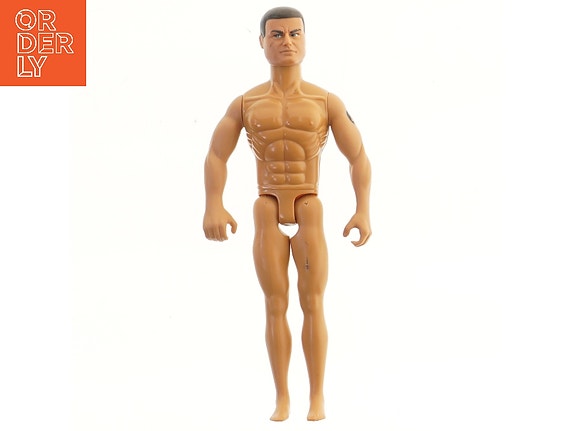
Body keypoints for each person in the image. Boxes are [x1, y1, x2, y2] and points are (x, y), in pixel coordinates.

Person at [203, 6, 371, 421]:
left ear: (306, 40)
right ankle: (282, 397)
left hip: (309, 205)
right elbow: (216, 154)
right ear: (261, 42)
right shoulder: (246, 103)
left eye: (295, 33)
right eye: (276, 35)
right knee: (274, 303)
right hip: (266, 207)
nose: (286, 42)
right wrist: (213, 203)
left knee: (312, 301)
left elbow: (358, 156)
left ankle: (317, 397)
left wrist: (363, 210)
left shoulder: (325, 101)